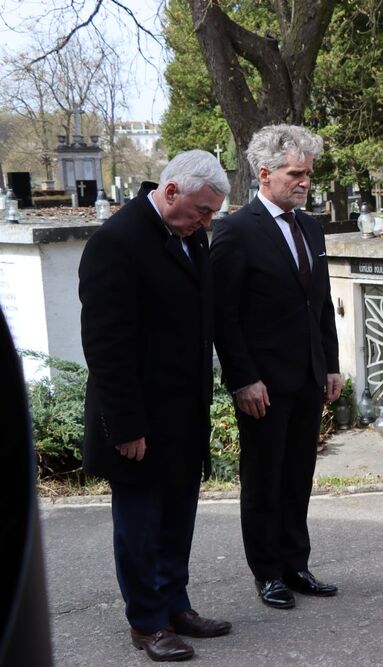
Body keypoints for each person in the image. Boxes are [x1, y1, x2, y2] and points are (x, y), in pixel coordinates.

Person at [79, 150, 231, 662]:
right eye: (202, 211)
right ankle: (147, 623)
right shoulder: (116, 242)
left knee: (177, 520)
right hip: (139, 418)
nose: (206, 223)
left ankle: (174, 604)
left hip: (184, 412)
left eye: (211, 214)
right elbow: (106, 345)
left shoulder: (192, 235)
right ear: (170, 192)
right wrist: (125, 424)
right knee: (140, 526)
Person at [211, 124, 342, 610]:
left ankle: (295, 564)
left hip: (307, 376)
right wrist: (243, 378)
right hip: (262, 383)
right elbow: (223, 315)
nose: (304, 182)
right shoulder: (236, 229)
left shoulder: (310, 226)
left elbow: (320, 304)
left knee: (297, 476)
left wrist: (331, 364)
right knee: (264, 479)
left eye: (307, 173)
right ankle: (267, 573)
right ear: (264, 174)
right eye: (294, 174)